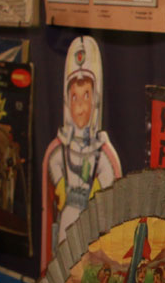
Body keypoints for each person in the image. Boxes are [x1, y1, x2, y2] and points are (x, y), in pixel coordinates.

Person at [41, 36, 122, 268]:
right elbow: (54, 164)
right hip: (67, 218)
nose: (79, 107)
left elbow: (109, 179)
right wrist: (60, 184)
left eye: (86, 96)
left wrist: (97, 191)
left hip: (90, 223)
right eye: (74, 97)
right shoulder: (59, 150)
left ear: (95, 99)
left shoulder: (101, 153)